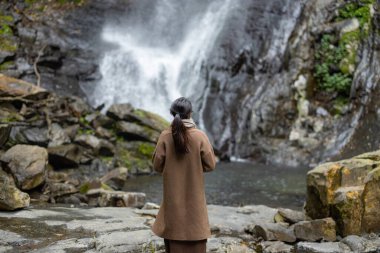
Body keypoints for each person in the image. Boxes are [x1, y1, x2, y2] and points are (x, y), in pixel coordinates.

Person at [151, 97, 217, 253]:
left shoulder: (165, 136)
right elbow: (211, 164)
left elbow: (157, 165)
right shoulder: (200, 136)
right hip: (195, 199)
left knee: (173, 232)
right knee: (196, 230)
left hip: (173, 200)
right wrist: (194, 167)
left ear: (172, 113)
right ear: (190, 113)